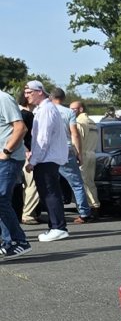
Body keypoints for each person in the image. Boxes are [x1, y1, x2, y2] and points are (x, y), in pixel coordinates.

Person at [24, 80, 70, 241]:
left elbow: (42, 139)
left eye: (29, 92)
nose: (26, 95)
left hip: (46, 159)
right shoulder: (43, 109)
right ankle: (55, 226)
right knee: (48, 192)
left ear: (39, 92)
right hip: (47, 158)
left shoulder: (46, 110)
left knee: (50, 193)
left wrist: (33, 161)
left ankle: (58, 227)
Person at [50, 87, 93, 222]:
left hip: (49, 151)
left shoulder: (44, 111)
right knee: (76, 184)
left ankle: (55, 214)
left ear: (51, 97)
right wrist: (79, 153)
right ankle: (84, 213)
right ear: (63, 98)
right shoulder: (69, 112)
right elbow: (75, 134)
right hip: (66, 149)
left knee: (51, 184)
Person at [0, 87, 32, 258]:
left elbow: (21, 128)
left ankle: (19, 241)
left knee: (1, 198)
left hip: (8, 158)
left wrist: (6, 151)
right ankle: (7, 242)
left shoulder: (3, 99)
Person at [70, 99, 99, 214]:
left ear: (81, 109)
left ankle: (89, 208)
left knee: (82, 182)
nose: (71, 112)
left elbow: (77, 140)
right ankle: (95, 205)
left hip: (83, 154)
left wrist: (77, 155)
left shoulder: (79, 123)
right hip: (92, 153)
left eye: (73, 109)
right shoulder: (92, 122)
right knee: (90, 182)